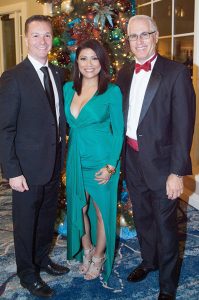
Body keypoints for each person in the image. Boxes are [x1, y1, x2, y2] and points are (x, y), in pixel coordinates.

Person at [117, 15, 195, 300]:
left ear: (156, 35)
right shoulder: (125, 72)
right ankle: (148, 261)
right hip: (132, 159)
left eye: (144, 35)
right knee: (144, 217)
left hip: (163, 165)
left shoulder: (175, 73)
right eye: (133, 37)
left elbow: (183, 128)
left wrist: (177, 172)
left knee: (165, 226)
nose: (139, 41)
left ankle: (168, 286)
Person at [0, 15, 70, 298]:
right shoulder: (13, 77)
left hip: (52, 164)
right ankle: (28, 273)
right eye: (36, 35)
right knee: (26, 223)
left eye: (47, 35)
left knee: (45, 218)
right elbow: (4, 129)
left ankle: (42, 259)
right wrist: (12, 171)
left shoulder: (56, 74)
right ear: (26, 39)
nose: (42, 41)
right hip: (26, 170)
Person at [63, 39, 124, 282]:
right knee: (80, 208)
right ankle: (86, 248)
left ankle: (99, 255)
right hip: (76, 157)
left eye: (95, 58)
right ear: (77, 62)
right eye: (84, 58)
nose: (90, 64)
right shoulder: (68, 88)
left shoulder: (112, 91)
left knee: (101, 212)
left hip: (102, 161)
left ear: (102, 62)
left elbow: (118, 131)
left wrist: (111, 166)